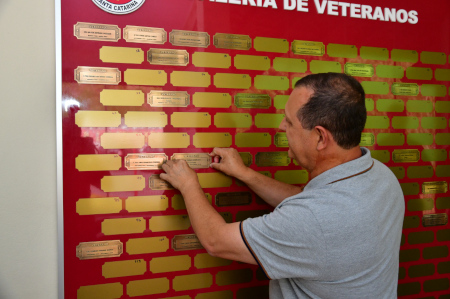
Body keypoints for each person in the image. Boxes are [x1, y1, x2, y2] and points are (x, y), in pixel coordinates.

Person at [161, 73, 405, 298]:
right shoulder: (380, 176)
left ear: (320, 137)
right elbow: (306, 201)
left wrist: (188, 184)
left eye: (289, 121)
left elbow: (217, 241)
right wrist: (245, 174)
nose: (280, 126)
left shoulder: (315, 219)